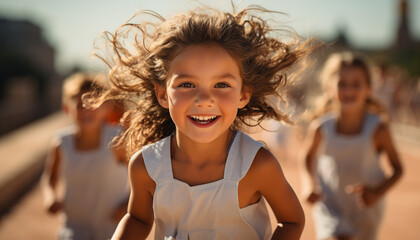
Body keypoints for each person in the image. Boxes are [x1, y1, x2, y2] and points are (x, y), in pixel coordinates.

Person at [92, 5, 317, 240]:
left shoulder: (257, 165)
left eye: (221, 85)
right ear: (162, 94)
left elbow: (291, 220)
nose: (204, 100)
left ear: (243, 94)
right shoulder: (145, 166)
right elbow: (138, 218)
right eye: (187, 84)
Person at [302, 52, 403, 240]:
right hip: (330, 204)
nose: (349, 90)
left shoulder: (378, 129)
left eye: (356, 84)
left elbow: (398, 169)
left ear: (369, 89)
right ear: (330, 88)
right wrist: (309, 184)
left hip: (366, 210)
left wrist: (376, 193)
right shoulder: (320, 128)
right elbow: (308, 157)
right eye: (342, 84)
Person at [42, 73, 130, 240]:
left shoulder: (118, 139)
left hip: (113, 230)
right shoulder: (61, 143)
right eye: (79, 104)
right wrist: (50, 197)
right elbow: (50, 178)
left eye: (93, 103)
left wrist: (128, 205)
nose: (86, 109)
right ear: (67, 108)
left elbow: (143, 176)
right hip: (74, 230)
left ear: (106, 107)